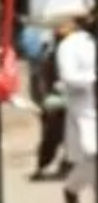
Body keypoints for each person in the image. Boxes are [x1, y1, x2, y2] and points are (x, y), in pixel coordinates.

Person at [57, 7, 96, 203]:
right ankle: (72, 188)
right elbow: (68, 77)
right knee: (92, 153)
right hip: (85, 108)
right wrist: (93, 80)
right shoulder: (71, 45)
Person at [31, 24, 72, 181]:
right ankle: (43, 166)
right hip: (56, 101)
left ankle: (67, 164)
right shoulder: (49, 55)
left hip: (72, 98)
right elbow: (41, 80)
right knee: (52, 135)